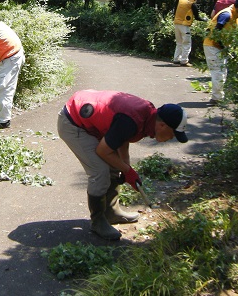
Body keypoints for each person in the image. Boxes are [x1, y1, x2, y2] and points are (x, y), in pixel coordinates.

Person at [57, 89, 188, 240]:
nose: (171, 138)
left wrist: (126, 167)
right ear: (163, 126)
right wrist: (128, 170)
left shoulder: (147, 116)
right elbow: (103, 151)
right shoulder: (132, 120)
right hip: (72, 123)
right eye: (173, 134)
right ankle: (98, 222)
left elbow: (122, 139)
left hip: (87, 117)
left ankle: (111, 212)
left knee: (114, 165)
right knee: (100, 172)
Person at [203, 0, 238, 105]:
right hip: (213, 46)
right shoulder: (226, 14)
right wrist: (221, 45)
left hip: (220, 47)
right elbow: (216, 30)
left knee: (222, 72)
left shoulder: (235, 14)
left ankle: (219, 96)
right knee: (218, 72)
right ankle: (216, 99)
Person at [173, 0, 208, 67]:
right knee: (187, 43)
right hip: (184, 25)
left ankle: (176, 59)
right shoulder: (192, 4)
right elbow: (197, 17)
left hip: (176, 23)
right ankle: (184, 61)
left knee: (179, 43)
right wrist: (205, 20)